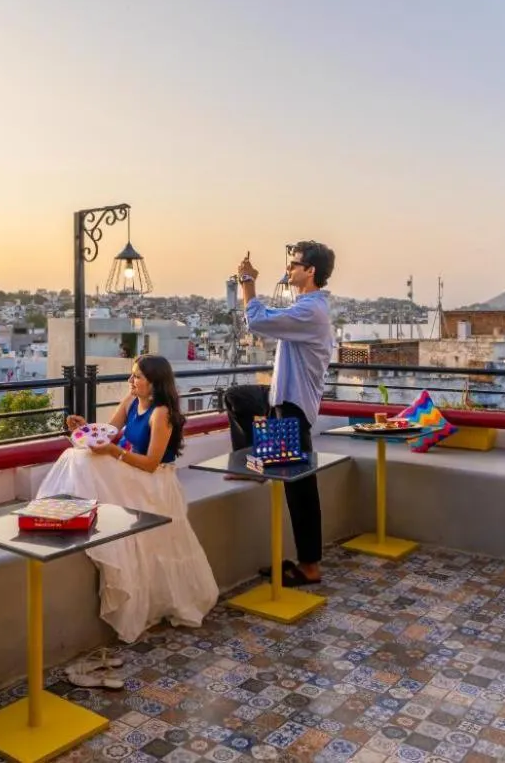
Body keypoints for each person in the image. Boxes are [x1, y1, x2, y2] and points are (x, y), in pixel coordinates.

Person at [39, 354, 219, 645]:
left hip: (153, 481)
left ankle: (67, 513)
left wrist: (114, 453)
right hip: (132, 471)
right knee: (77, 455)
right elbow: (106, 435)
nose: (130, 381)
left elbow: (150, 463)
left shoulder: (161, 413)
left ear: (155, 383)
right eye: (132, 375)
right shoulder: (131, 401)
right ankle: (65, 513)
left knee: (80, 460)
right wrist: (83, 427)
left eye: (137, 377)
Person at [224, 240, 336, 587]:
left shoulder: (310, 311)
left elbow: (257, 320)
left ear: (311, 271)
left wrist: (246, 282)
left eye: (294, 264)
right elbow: (266, 319)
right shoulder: (305, 307)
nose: (289, 269)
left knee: (300, 489)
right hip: (280, 397)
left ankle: (310, 566)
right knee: (237, 398)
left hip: (294, 404)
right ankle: (255, 464)